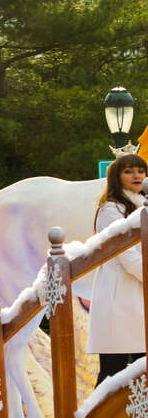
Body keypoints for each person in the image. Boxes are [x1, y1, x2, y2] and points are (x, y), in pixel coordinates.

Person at [87, 152, 147, 384]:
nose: (137, 175)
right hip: (119, 294)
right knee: (113, 372)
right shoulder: (110, 209)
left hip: (139, 295)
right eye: (129, 170)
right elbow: (125, 253)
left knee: (142, 372)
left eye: (141, 170)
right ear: (116, 176)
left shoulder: (142, 206)